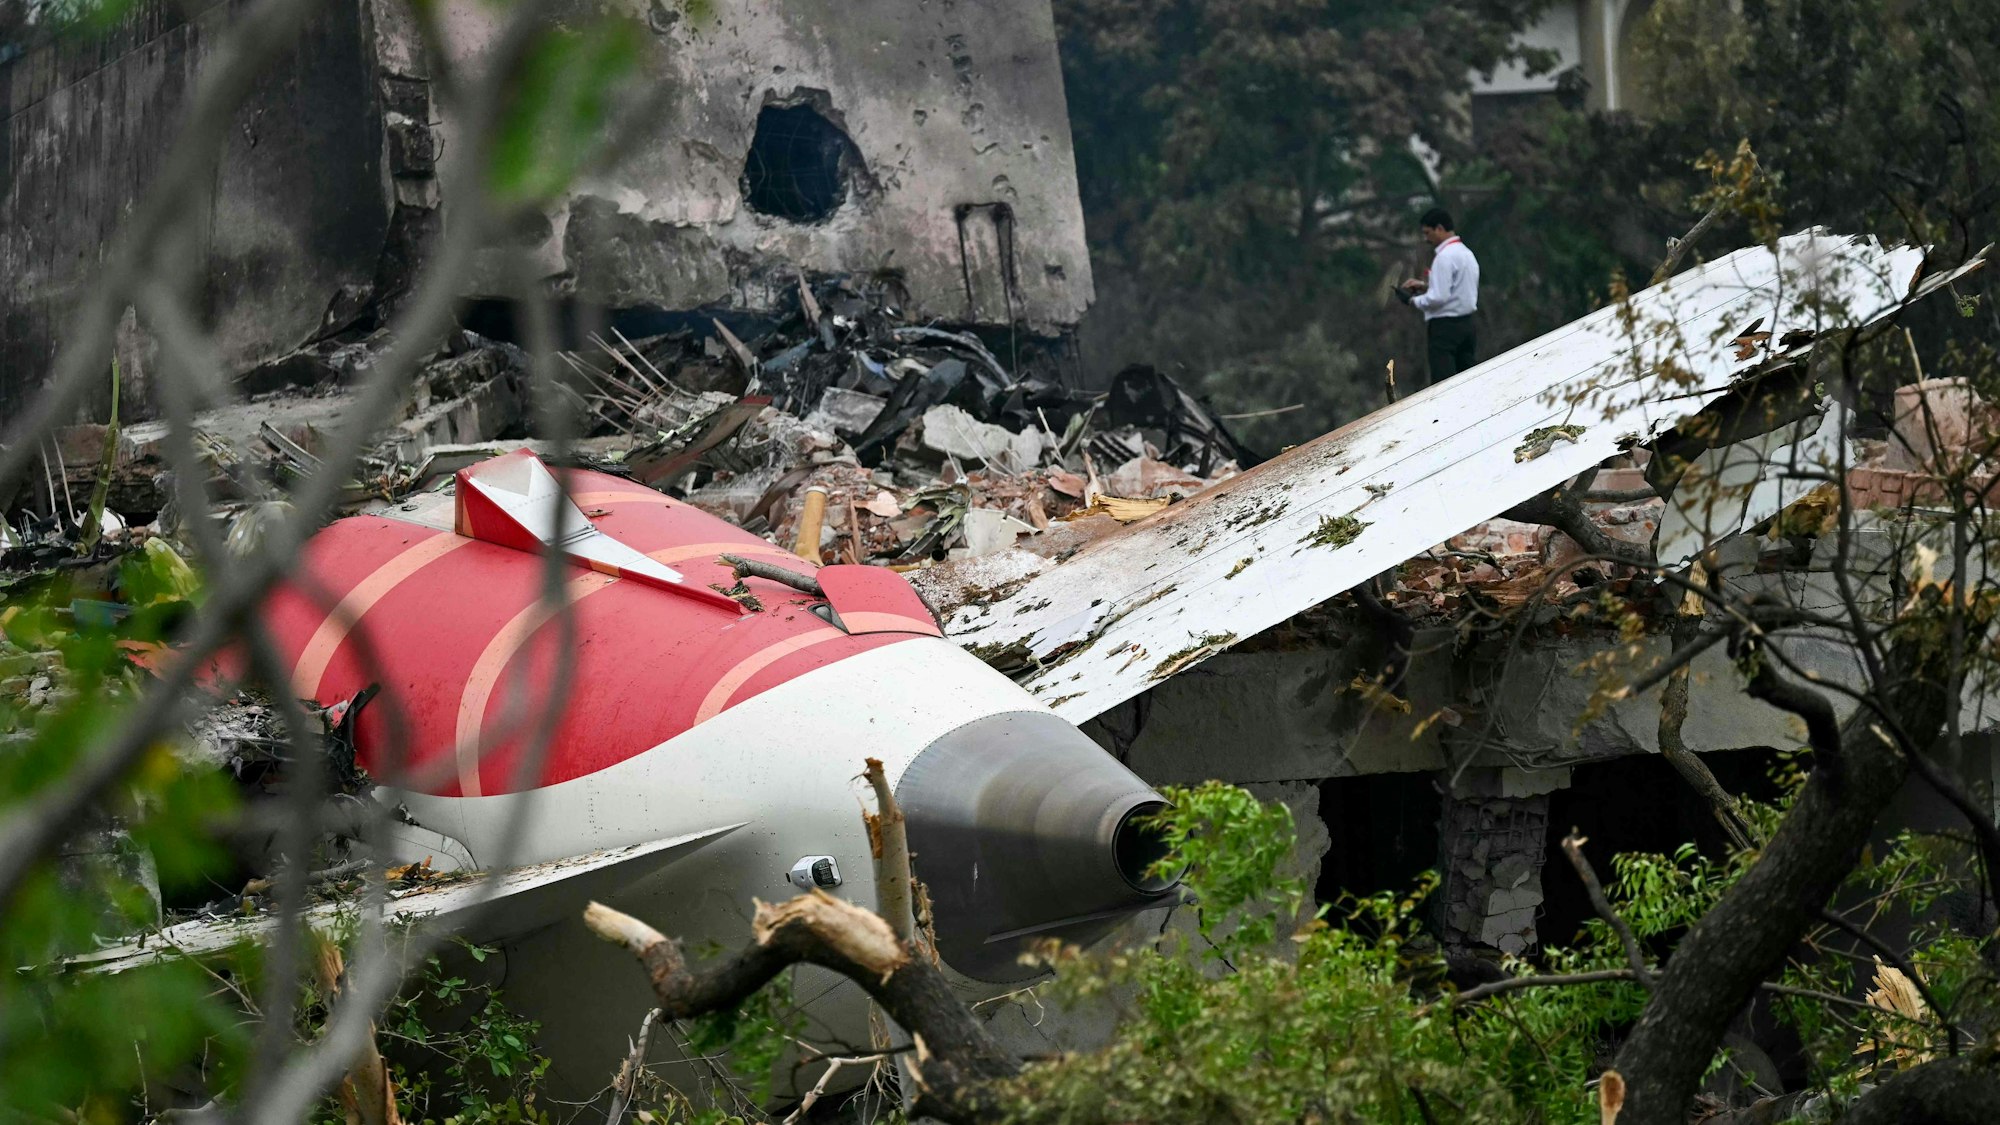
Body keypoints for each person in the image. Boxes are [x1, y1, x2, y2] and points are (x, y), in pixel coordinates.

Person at [1394, 207, 1480, 385]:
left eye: (1428, 232)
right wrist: (1426, 286)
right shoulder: (1466, 253)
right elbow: (1458, 288)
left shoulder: (1444, 257)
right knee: (1470, 380)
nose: (1426, 239)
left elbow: (1438, 298)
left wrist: (1412, 300)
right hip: (1467, 325)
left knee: (1444, 384)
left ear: (1439, 228)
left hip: (1445, 329)